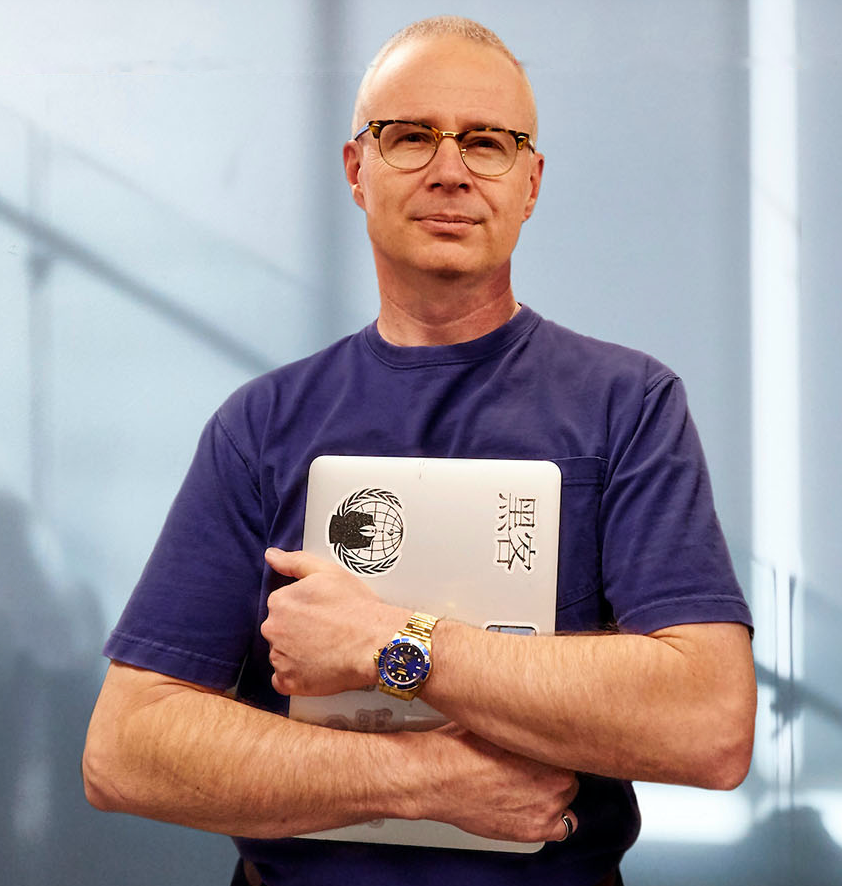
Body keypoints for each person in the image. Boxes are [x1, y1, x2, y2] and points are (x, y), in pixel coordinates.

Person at [83, 16, 756, 886]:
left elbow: (709, 726)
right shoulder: (261, 427)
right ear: (357, 170)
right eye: (409, 137)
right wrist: (428, 779)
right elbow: (124, 751)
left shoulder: (627, 409)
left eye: (488, 142)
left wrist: (392, 643)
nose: (450, 170)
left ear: (530, 182)